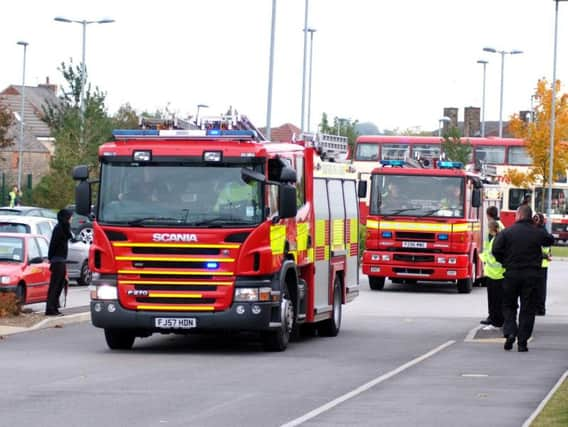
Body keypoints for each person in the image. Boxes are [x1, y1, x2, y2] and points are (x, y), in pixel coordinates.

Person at [492, 204, 554, 352]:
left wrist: (505, 261)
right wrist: (540, 226)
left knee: (508, 306)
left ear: (519, 215)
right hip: (532, 276)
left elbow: (496, 250)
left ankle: (510, 332)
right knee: (528, 309)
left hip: (512, 274)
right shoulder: (536, 232)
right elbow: (549, 240)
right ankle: (522, 342)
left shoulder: (507, 232)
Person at [45, 209, 74, 316]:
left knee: (60, 284)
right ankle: (50, 308)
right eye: (70, 216)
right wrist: (50, 258)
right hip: (57, 260)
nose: (72, 218)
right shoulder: (59, 228)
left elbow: (70, 236)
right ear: (66, 217)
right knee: (55, 285)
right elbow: (53, 244)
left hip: (61, 259)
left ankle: (55, 307)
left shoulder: (64, 228)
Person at [479, 220, 505, 330]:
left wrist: (482, 258)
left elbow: (493, 255)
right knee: (498, 300)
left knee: (494, 301)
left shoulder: (496, 239)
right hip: (498, 274)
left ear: (491, 229)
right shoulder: (498, 238)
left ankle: (496, 322)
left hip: (495, 274)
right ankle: (497, 320)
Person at [533, 213, 550, 316]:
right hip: (543, 264)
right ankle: (540, 307)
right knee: (541, 288)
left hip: (540, 263)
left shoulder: (539, 232)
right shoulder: (544, 231)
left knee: (538, 288)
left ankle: (539, 308)